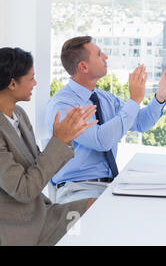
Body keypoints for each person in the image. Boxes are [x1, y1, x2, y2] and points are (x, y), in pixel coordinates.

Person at [45, 36, 166, 204]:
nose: (106, 57)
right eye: (99, 54)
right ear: (83, 66)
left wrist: (159, 97)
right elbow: (101, 140)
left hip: (111, 187)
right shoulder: (63, 105)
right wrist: (134, 100)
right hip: (77, 190)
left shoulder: (105, 98)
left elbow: (140, 122)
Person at [0, 47, 97, 245]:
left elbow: (38, 167)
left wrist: (65, 139)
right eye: (31, 78)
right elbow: (24, 189)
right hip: (19, 228)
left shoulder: (18, 114)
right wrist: (58, 142)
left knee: (97, 206)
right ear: (12, 83)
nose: (35, 83)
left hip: (43, 213)